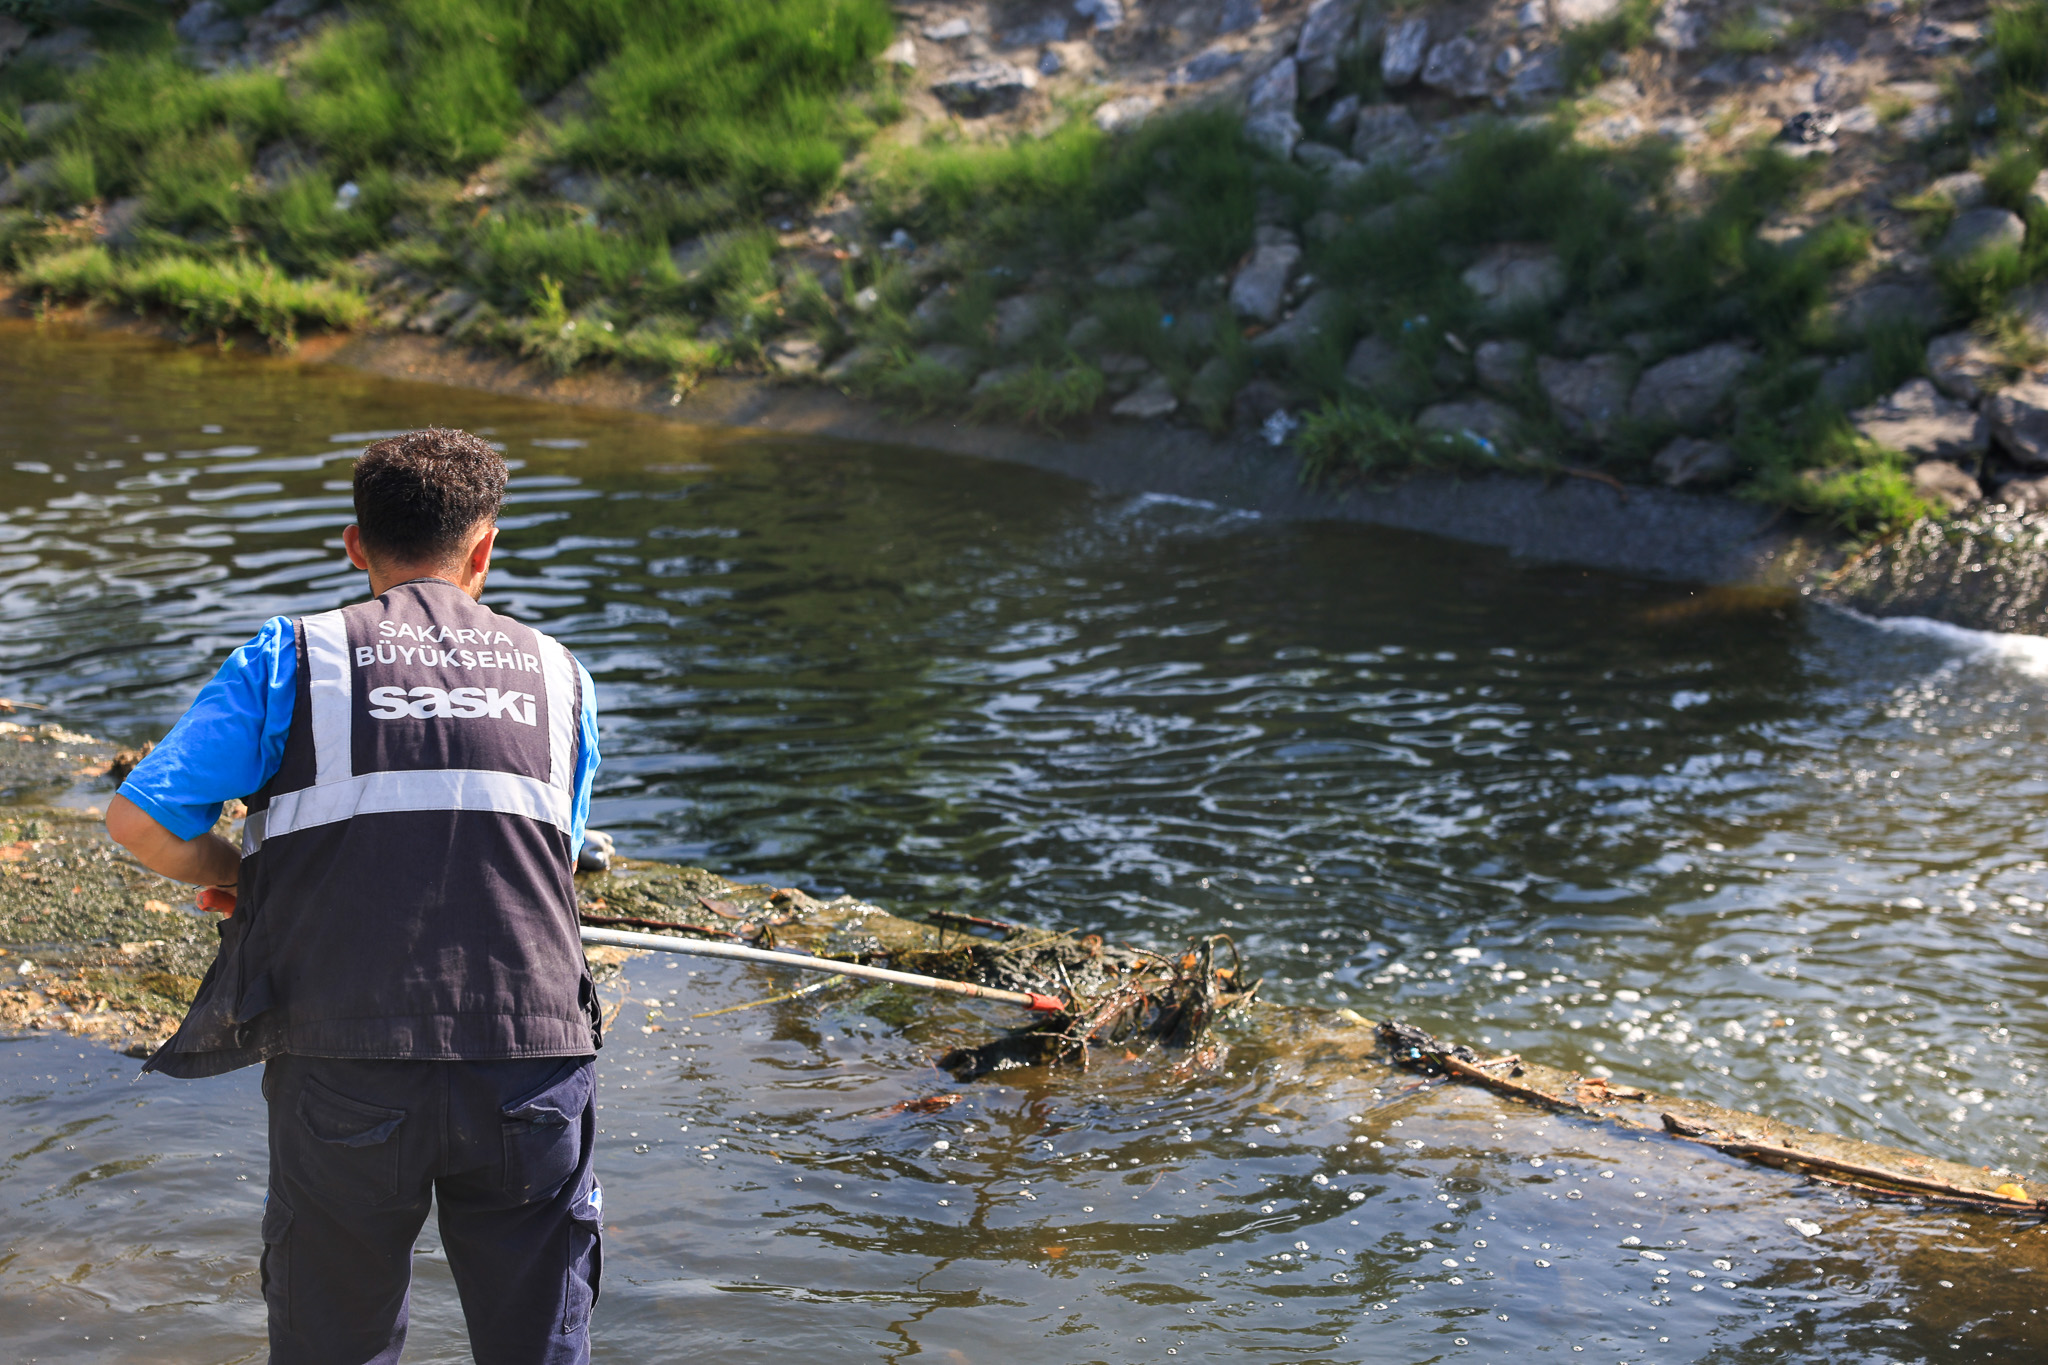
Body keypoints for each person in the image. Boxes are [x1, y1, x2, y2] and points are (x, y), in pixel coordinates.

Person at [105, 428, 605, 1365]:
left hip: (345, 1060)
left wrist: (243, 875)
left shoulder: (293, 657)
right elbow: (548, 866)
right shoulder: (560, 675)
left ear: (354, 544)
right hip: (530, 1064)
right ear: (485, 547)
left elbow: (138, 822)